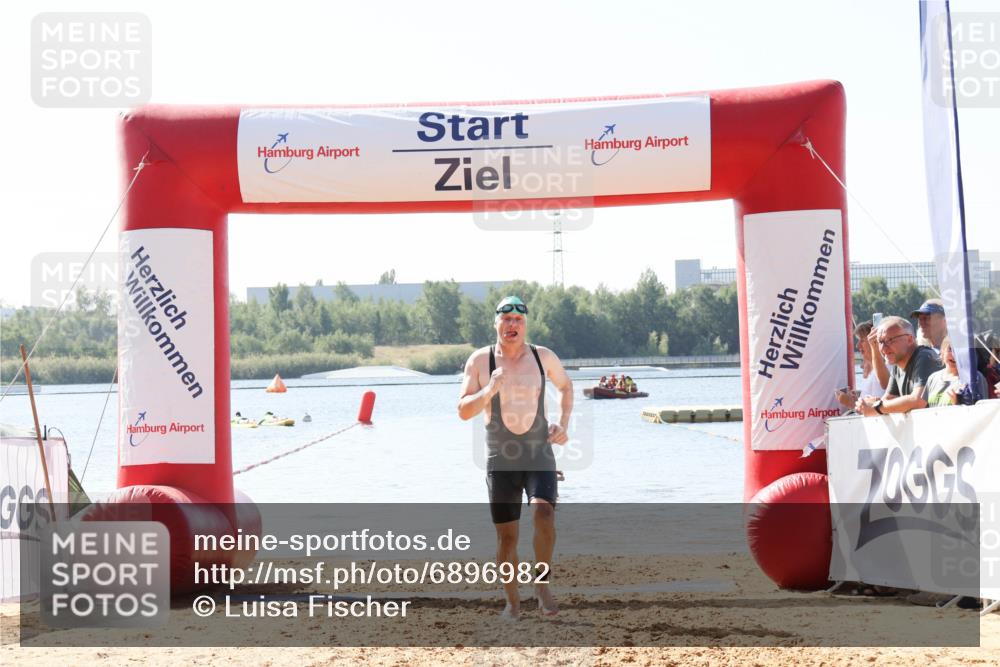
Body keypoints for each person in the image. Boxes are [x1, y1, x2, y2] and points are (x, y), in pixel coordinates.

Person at [457, 296, 573, 620]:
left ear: (525, 324)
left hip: (538, 453)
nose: (512, 325)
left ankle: (541, 584)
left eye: (518, 320)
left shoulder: (542, 357)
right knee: (507, 537)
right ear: (496, 323)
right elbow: (463, 410)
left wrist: (563, 424)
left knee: (544, 513)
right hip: (501, 459)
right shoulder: (480, 362)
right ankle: (512, 601)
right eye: (506, 319)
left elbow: (566, 387)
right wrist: (488, 391)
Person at [857, 316, 942, 417]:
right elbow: (888, 400)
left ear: (910, 339)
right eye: (880, 342)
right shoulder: (898, 365)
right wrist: (868, 404)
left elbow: (918, 400)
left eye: (890, 340)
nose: (883, 348)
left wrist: (876, 407)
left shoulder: (925, 356)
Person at [836, 322, 886, 409]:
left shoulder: (882, 373)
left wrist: (850, 403)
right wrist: (856, 401)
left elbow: (878, 409)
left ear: (874, 341)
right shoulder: (875, 373)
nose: (857, 345)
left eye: (862, 341)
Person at [925, 336, 987, 407]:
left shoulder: (974, 378)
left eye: (960, 351)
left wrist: (958, 404)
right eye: (950, 349)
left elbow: (982, 410)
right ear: (942, 351)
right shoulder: (932, 378)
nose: (955, 355)